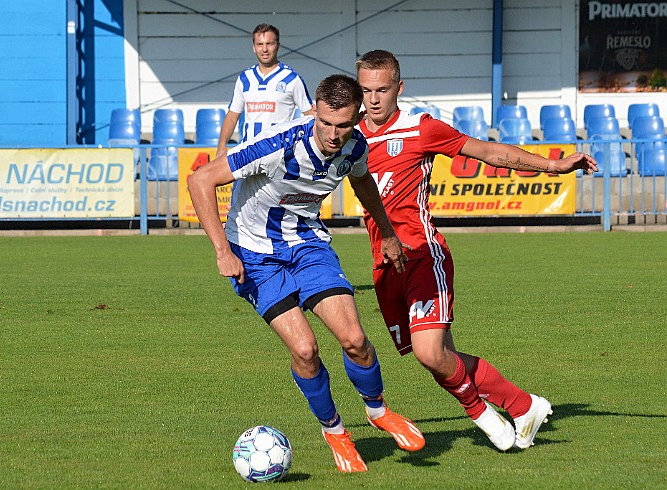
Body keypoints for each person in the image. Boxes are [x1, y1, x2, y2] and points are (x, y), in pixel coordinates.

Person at [354, 50, 598, 451]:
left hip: (422, 255)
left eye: (383, 89)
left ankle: (486, 417)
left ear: (400, 87)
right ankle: (524, 406)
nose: (374, 99)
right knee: (442, 358)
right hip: (384, 264)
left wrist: (553, 166)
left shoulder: (421, 129)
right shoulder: (350, 136)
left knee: (430, 353)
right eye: (366, 91)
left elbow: (488, 152)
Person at [188, 74, 425, 473]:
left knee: (355, 340)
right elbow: (200, 179)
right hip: (255, 254)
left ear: (358, 117)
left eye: (344, 125)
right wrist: (221, 251)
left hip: (308, 245)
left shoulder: (354, 146)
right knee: (305, 350)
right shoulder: (277, 144)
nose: (334, 134)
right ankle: (335, 432)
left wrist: (387, 233)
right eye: (326, 123)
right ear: (315, 110)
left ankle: (378, 410)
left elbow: (363, 180)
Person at [216, 23, 313, 158]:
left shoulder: (292, 79)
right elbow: (232, 116)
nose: (265, 49)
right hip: (248, 153)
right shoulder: (245, 79)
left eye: (269, 43)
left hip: (280, 155)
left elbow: (310, 114)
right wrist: (221, 146)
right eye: (260, 44)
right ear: (254, 48)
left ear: (278, 46)